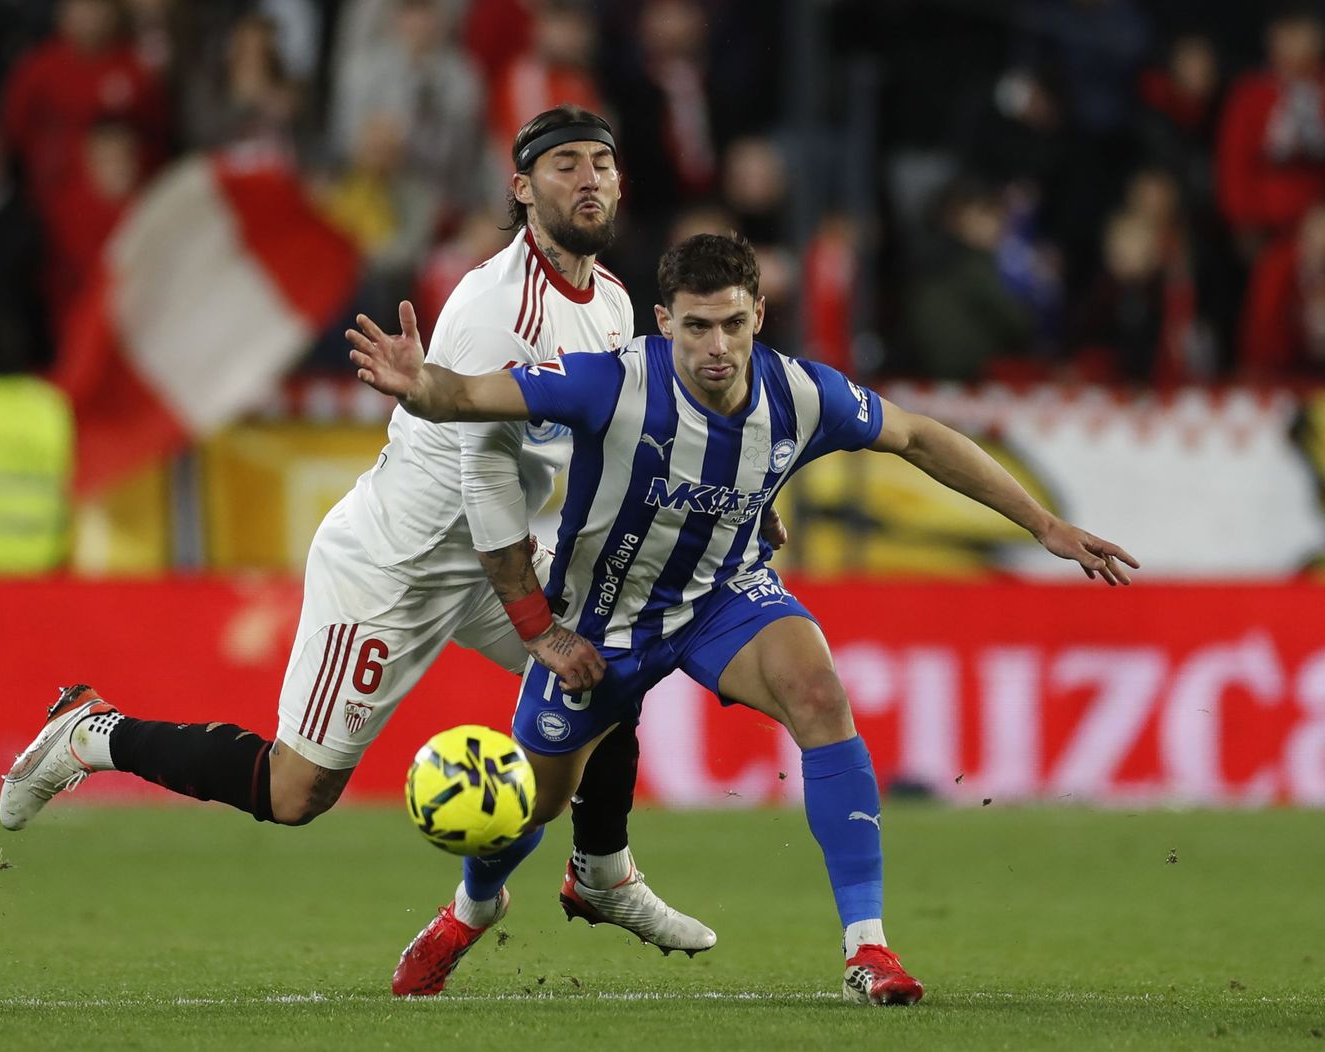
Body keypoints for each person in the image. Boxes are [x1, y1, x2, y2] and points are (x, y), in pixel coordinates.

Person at [0, 106, 728, 970]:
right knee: (295, 791)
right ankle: (94, 733)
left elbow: (616, 433)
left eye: (601, 163)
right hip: (398, 567)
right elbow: (482, 479)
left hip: (495, 562)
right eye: (564, 164)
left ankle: (600, 872)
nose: (589, 179)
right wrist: (539, 626)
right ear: (522, 189)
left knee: (609, 669)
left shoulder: (608, 302)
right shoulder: (497, 308)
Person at [350, 231, 1139, 1003]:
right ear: (664, 323)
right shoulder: (612, 383)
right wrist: (422, 384)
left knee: (820, 695)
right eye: (696, 325)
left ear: (759, 313)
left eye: (732, 322)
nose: (716, 346)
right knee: (534, 800)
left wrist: (1043, 525)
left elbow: (920, 436)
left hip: (721, 600)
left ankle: (868, 948)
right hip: (603, 625)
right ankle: (472, 910)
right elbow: (476, 396)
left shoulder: (802, 393)